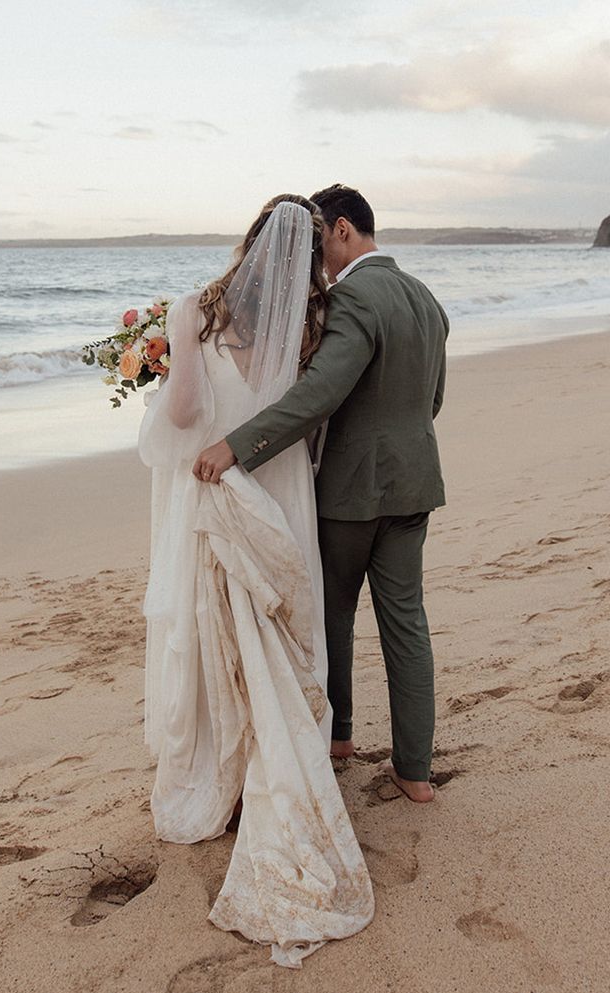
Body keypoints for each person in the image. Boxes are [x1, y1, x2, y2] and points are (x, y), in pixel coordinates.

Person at [138, 195, 374, 967]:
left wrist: (155, 373)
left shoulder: (194, 311)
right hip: (279, 496)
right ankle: (270, 766)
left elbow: (184, 415)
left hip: (215, 493)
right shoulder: (310, 327)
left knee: (211, 636)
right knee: (274, 634)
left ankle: (224, 783)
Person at [193, 184, 449, 805]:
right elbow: (431, 397)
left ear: (341, 229)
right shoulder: (424, 296)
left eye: (320, 244)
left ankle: (338, 740)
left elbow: (319, 396)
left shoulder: (355, 298)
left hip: (353, 491)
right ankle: (415, 771)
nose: (318, 263)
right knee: (406, 625)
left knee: (333, 616)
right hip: (415, 481)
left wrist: (237, 444)